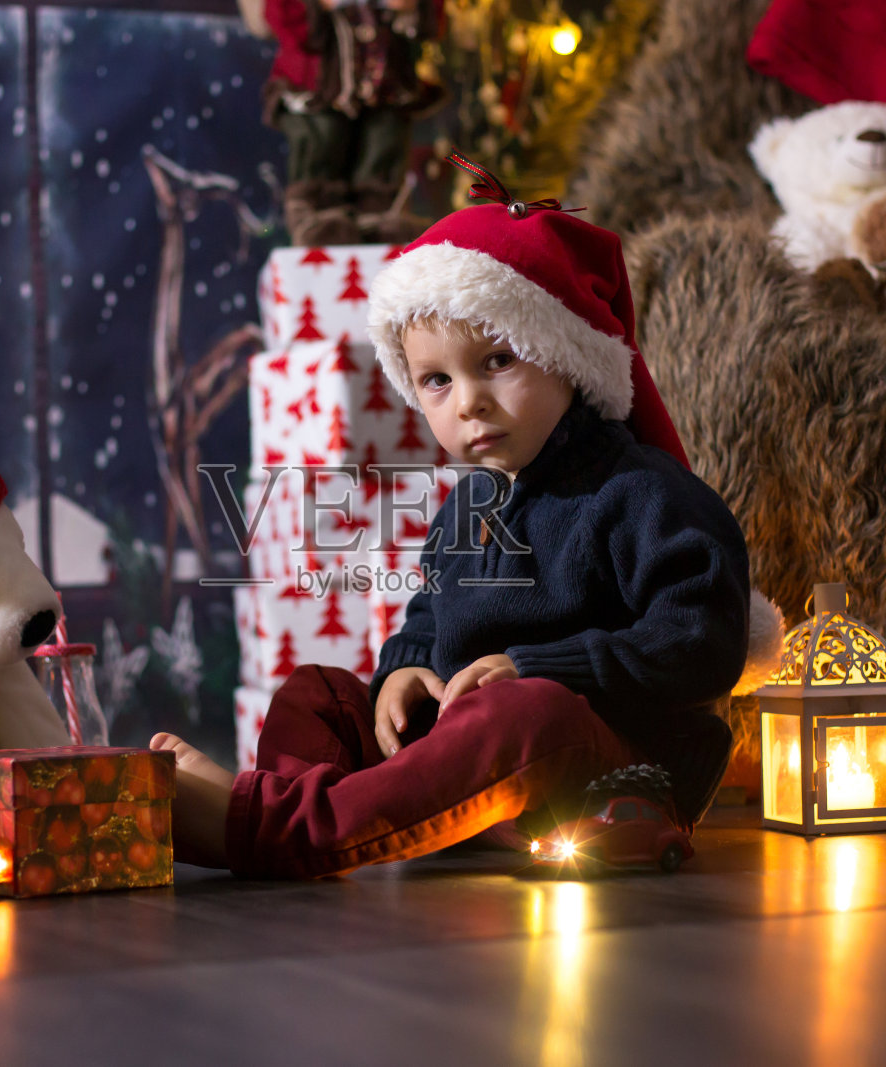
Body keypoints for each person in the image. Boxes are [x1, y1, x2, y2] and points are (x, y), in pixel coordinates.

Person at [153, 171, 753, 878]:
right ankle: (298, 808)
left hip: (597, 756)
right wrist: (406, 668)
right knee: (317, 691)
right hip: (466, 745)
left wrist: (537, 667)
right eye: (437, 380)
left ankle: (286, 828)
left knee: (525, 714)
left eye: (497, 362)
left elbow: (701, 640)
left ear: (566, 356)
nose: (469, 401)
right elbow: (433, 614)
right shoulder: (467, 504)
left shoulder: (640, 492)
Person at [257, 0, 444, 244]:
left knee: (384, 142)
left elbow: (428, 18)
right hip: (320, 79)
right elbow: (282, 16)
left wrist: (413, 6)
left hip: (385, 79)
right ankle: (319, 219)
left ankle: (380, 214)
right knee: (322, 141)